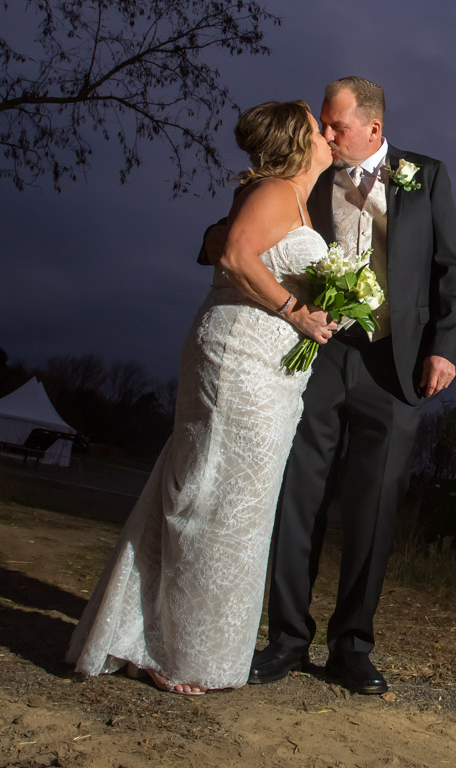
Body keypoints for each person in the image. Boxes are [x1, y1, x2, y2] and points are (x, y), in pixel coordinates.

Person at [205, 76, 456, 695]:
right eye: (323, 123)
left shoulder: (426, 175)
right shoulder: (312, 169)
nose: (324, 134)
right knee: (297, 494)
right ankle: (287, 640)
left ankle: (352, 648)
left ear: (374, 130)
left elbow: (451, 270)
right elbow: (234, 229)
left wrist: (444, 349)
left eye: (336, 125)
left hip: (394, 366)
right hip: (317, 355)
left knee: (373, 507)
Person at [66, 100, 337, 696]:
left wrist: (323, 312)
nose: (327, 135)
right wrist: (297, 312)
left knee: (238, 506)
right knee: (207, 495)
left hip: (272, 371)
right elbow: (235, 253)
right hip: (236, 358)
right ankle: (168, 650)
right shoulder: (272, 191)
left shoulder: (296, 200)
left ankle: (167, 639)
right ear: (300, 140)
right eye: (319, 128)